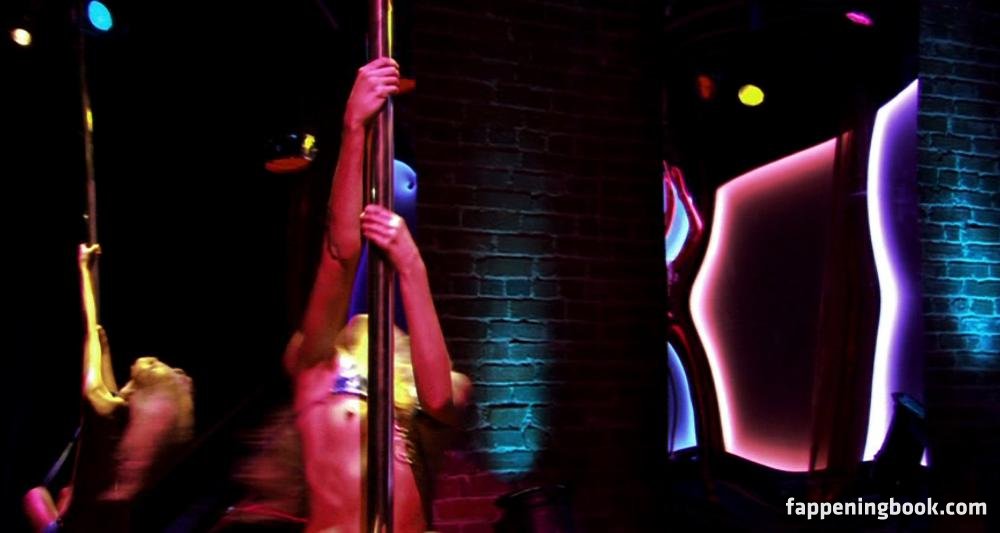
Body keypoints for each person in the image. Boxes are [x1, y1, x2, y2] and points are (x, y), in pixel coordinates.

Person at [283, 56, 472, 533]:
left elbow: (438, 400)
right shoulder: (317, 362)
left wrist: (411, 265)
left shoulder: (432, 379)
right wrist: (354, 129)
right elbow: (339, 254)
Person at [23, 243, 195, 533]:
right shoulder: (122, 427)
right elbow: (104, 363)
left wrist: (84, 270)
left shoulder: (103, 407)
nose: (152, 361)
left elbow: (89, 335)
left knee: (35, 496)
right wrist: (103, 350)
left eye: (156, 367)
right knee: (51, 496)